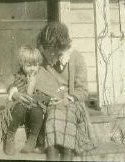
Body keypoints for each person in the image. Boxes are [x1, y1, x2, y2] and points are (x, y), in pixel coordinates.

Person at [37, 23, 97, 161]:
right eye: (47, 49)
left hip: (71, 102)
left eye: (54, 50)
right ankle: (51, 153)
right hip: (51, 103)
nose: (50, 54)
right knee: (52, 117)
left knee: (67, 118)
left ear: (62, 46)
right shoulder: (42, 56)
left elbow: (83, 91)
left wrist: (68, 98)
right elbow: (22, 75)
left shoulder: (75, 58)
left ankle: (67, 154)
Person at [3, 45, 50, 155]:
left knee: (37, 111)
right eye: (28, 65)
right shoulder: (18, 76)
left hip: (34, 108)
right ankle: (10, 135)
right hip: (20, 109)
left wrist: (33, 85)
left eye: (35, 65)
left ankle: (32, 139)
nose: (33, 68)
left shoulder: (40, 75)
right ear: (22, 64)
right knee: (19, 108)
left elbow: (46, 91)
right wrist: (15, 94)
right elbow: (10, 87)